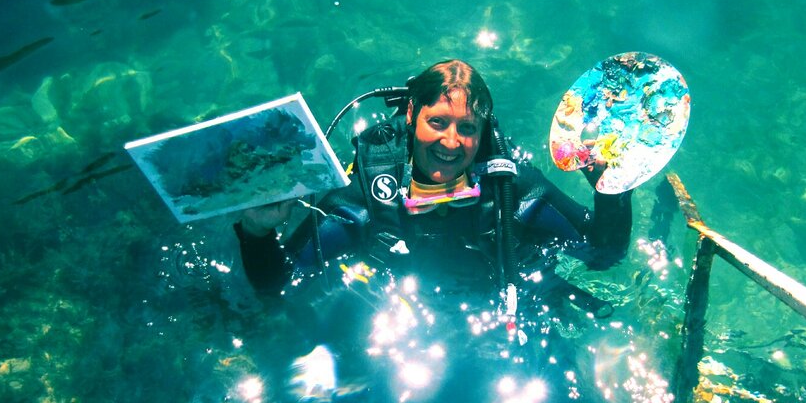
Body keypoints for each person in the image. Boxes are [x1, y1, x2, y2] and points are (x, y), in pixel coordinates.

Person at [233, 59, 634, 299]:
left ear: (483, 132)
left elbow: (602, 255)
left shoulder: (513, 191)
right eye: (437, 122)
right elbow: (276, 282)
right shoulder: (365, 198)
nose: (451, 142)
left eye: (467, 128)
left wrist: (611, 191)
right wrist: (257, 232)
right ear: (411, 116)